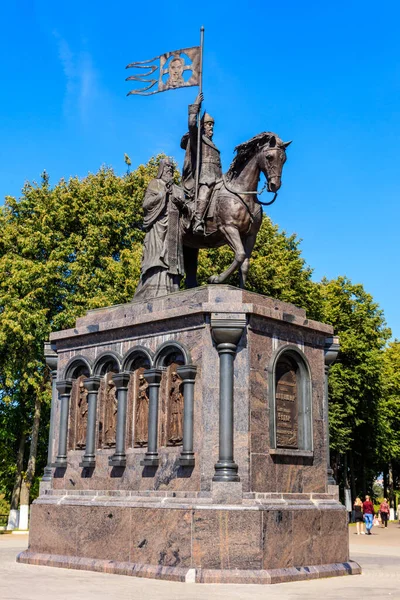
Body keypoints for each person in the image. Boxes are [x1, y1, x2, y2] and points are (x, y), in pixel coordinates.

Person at [134, 158, 186, 300]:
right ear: (162, 169)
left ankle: (171, 289)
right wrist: (163, 194)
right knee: (156, 257)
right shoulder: (155, 184)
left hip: (174, 229)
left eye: (172, 167)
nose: (170, 169)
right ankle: (151, 291)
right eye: (167, 166)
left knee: (171, 261)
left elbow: (187, 211)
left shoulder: (178, 189)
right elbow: (146, 205)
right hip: (158, 227)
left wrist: (182, 204)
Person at [181, 92, 222, 234]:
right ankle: (198, 220)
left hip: (219, 178)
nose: (211, 127)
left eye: (212, 125)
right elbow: (192, 124)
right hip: (205, 178)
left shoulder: (214, 145)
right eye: (209, 124)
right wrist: (195, 106)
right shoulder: (198, 140)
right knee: (205, 192)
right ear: (203, 126)